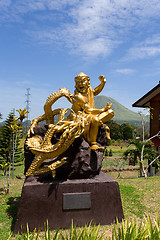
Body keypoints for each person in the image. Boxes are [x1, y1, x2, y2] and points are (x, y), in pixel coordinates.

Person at [66, 72, 114, 150]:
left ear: (88, 82)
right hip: (80, 117)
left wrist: (102, 83)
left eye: (82, 82)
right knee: (95, 120)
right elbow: (88, 110)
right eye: (78, 82)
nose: (80, 84)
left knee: (110, 112)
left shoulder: (88, 89)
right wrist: (102, 110)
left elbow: (95, 92)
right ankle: (93, 143)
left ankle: (98, 124)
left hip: (90, 113)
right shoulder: (78, 96)